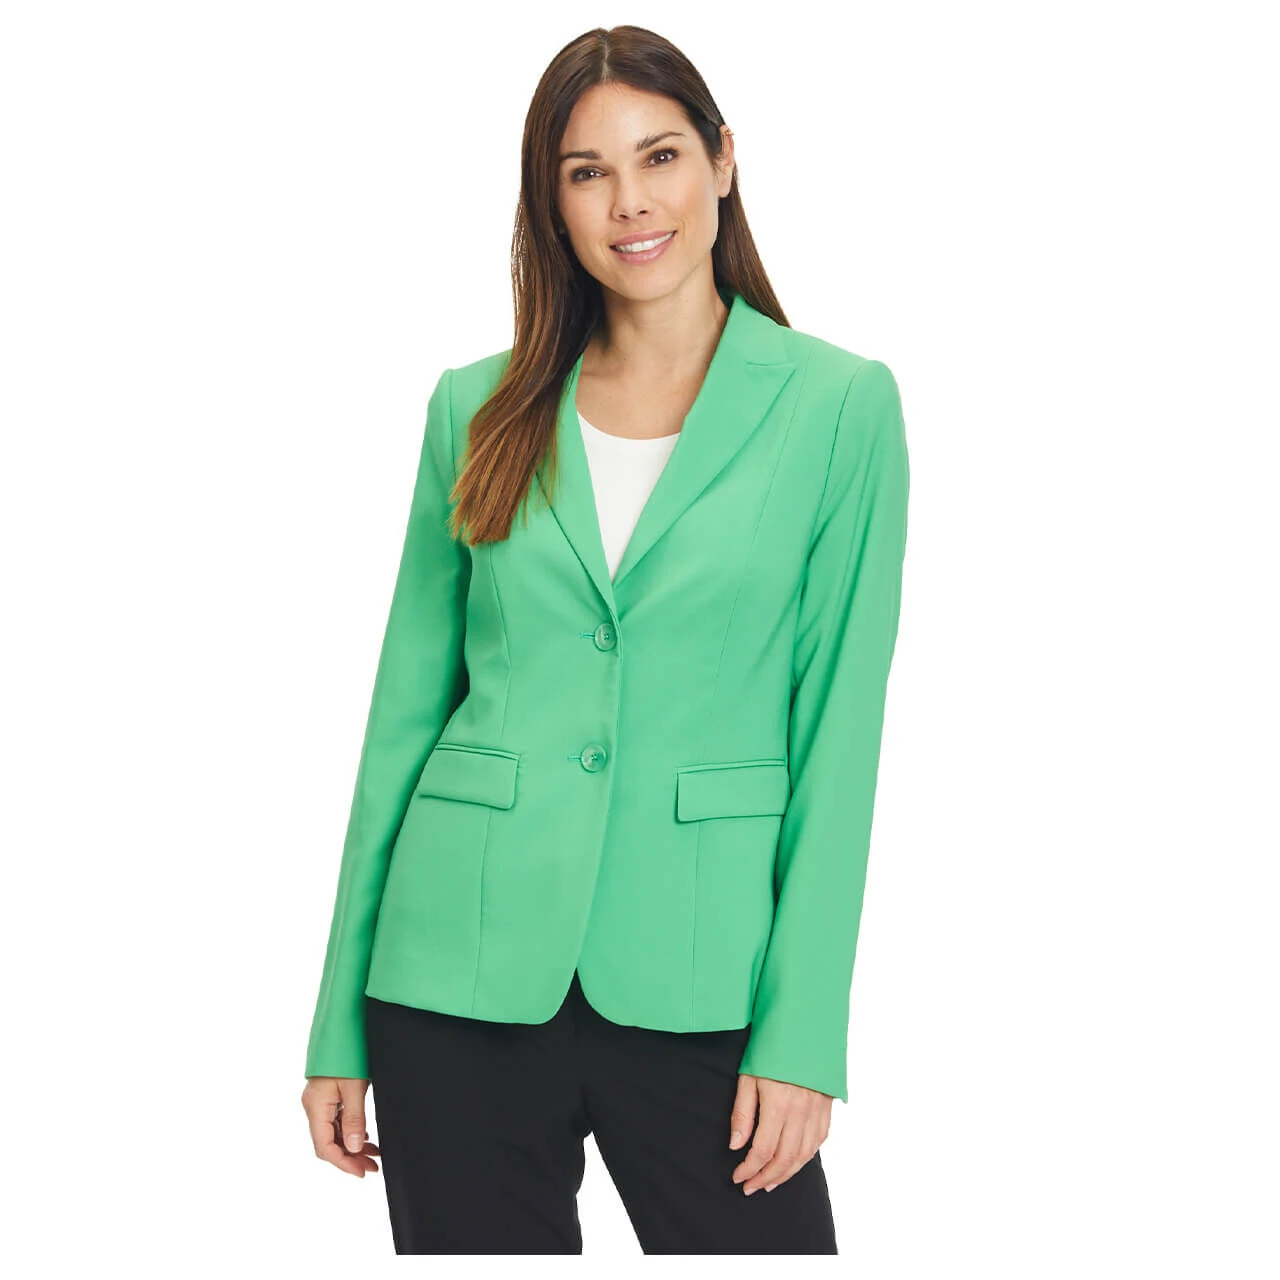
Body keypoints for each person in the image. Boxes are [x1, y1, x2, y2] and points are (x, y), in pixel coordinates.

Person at [300, 23, 910, 1255]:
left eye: (659, 156)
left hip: (701, 973)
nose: (630, 201)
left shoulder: (839, 406)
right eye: (587, 172)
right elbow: (401, 724)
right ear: (553, 203)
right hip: (455, 969)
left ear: (722, 160)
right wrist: (336, 1022)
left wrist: (801, 1033)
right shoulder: (477, 406)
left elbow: (837, 739)